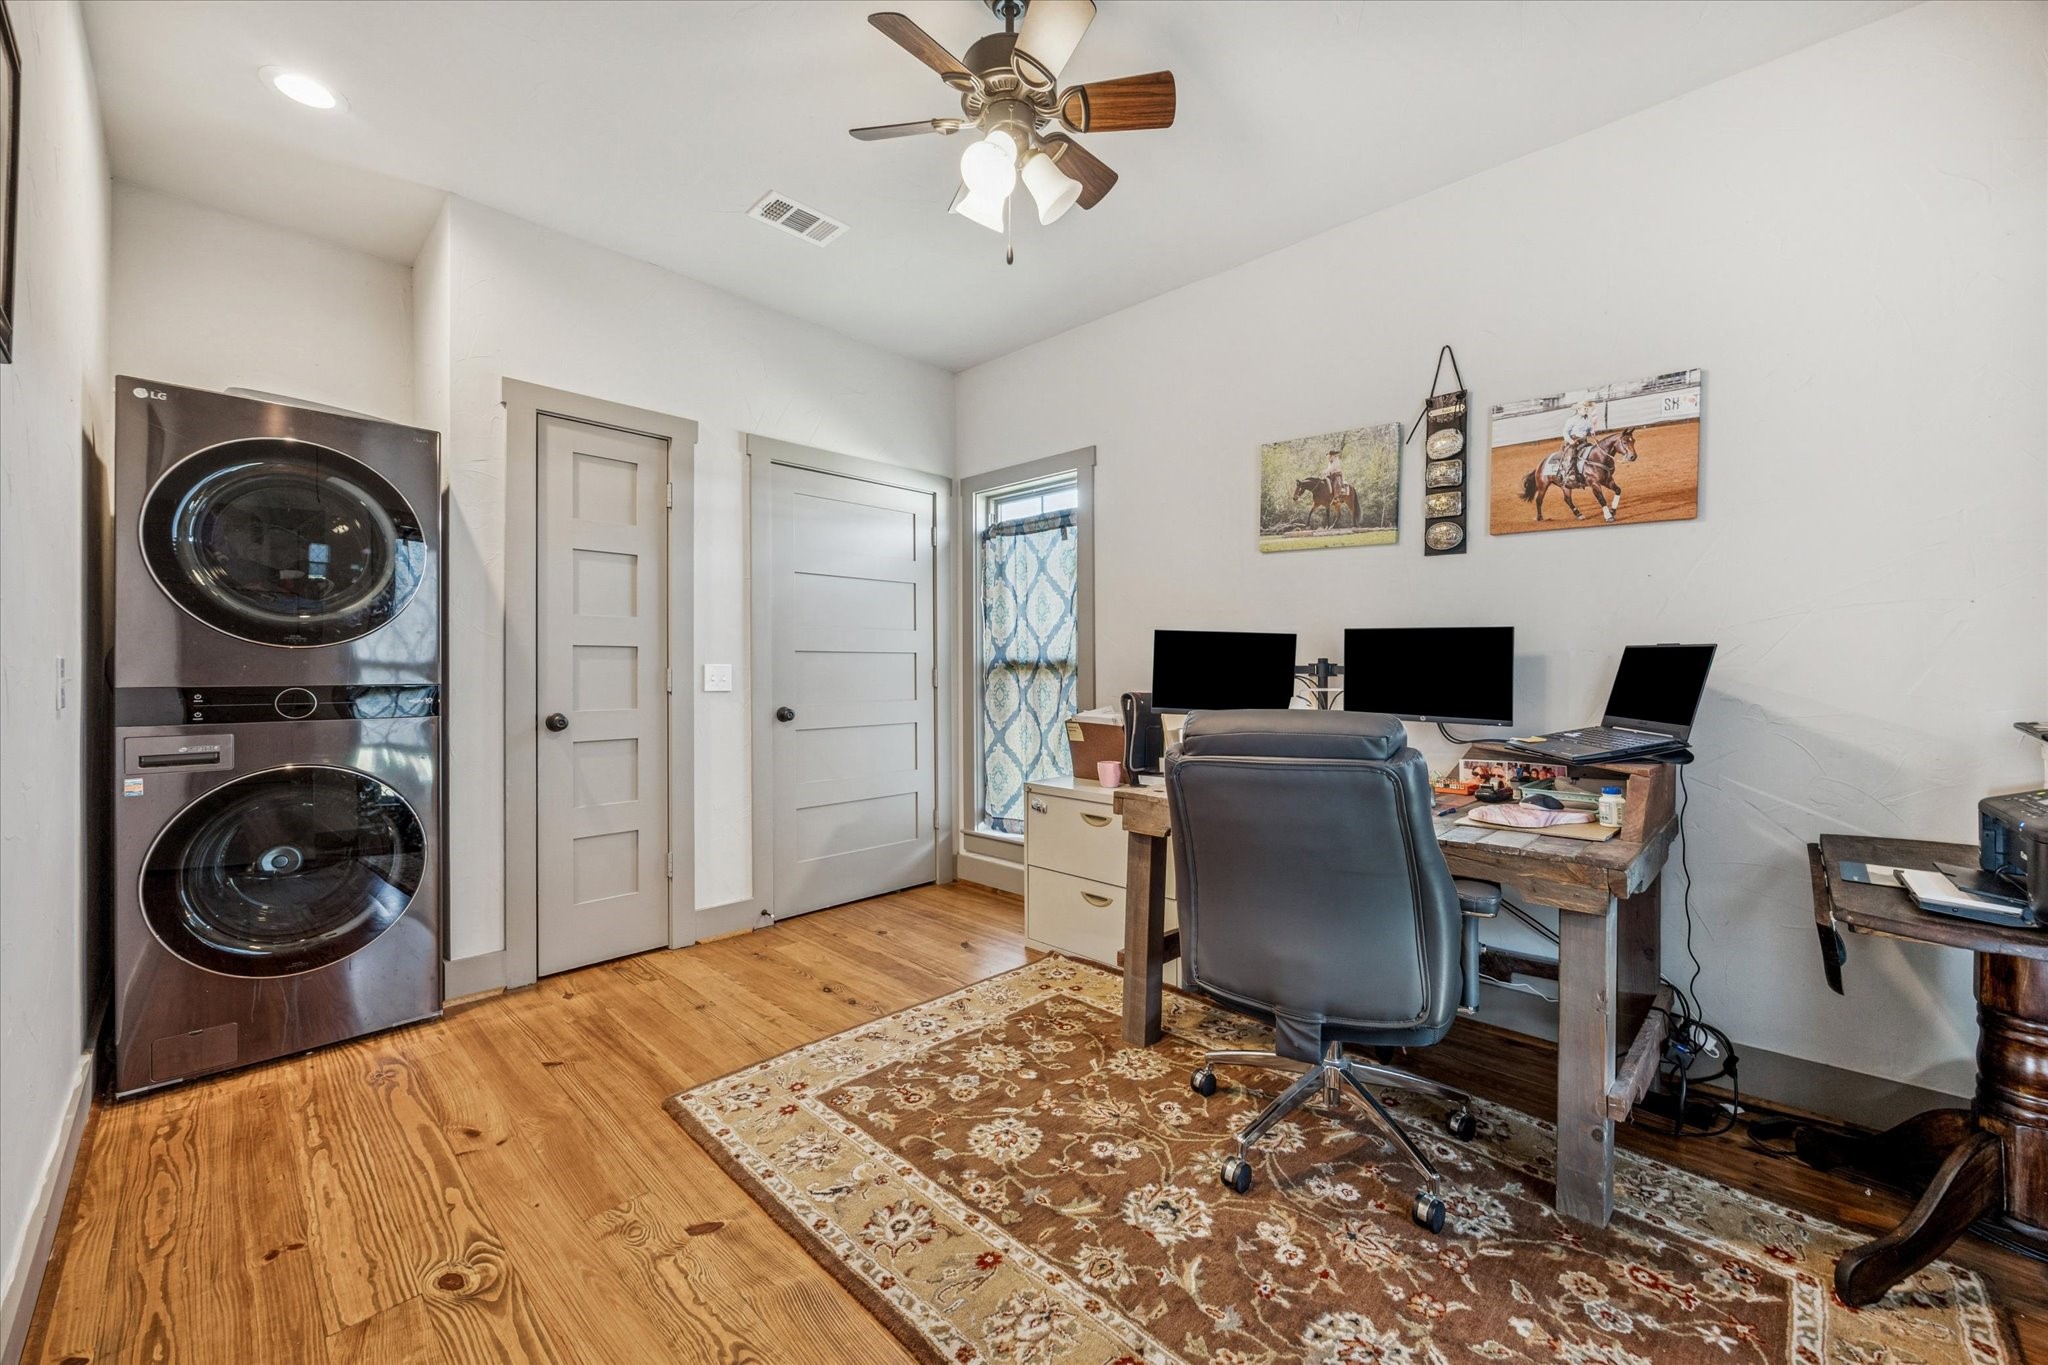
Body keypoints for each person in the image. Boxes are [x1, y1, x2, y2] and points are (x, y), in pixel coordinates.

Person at [1560, 400, 1599, 484]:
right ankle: (1570, 473)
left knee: (1593, 451)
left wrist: (1592, 431)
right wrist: (1570, 441)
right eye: (1584, 409)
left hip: (1584, 441)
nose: (1586, 410)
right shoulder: (1572, 420)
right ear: (1578, 409)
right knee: (1572, 453)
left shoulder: (1588, 420)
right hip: (1573, 441)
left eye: (1586, 409)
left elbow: (1590, 429)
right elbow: (1565, 432)